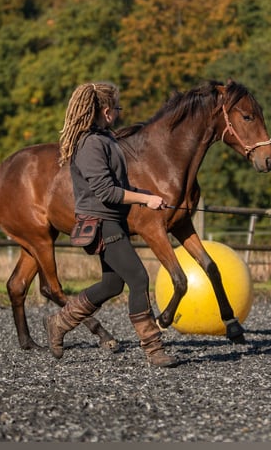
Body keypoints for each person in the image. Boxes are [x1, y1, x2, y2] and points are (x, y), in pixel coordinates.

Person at [44, 81, 178, 368]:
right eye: (117, 108)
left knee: (112, 284)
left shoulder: (104, 139)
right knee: (139, 278)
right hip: (101, 222)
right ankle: (154, 349)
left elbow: (121, 186)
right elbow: (106, 192)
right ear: (105, 111)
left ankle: (58, 322)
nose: (119, 113)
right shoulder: (91, 145)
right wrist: (144, 201)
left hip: (113, 219)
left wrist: (150, 197)